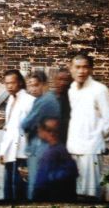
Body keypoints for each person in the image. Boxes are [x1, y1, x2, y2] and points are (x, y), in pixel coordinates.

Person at [67, 53, 109, 199]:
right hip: (72, 147)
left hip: (91, 150)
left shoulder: (99, 89)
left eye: (85, 67)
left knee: (90, 193)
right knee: (74, 192)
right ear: (71, 69)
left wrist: (98, 138)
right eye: (78, 67)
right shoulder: (71, 89)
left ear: (91, 70)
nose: (81, 71)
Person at [21, 71, 61, 200]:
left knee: (35, 187)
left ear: (44, 84)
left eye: (36, 85)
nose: (32, 89)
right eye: (30, 86)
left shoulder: (44, 101)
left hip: (40, 149)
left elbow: (26, 124)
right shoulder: (51, 99)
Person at [0, 69, 35, 201]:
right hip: (10, 151)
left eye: (12, 83)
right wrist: (3, 151)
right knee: (8, 189)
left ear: (19, 82)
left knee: (21, 189)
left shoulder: (29, 101)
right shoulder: (10, 100)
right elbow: (8, 128)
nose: (9, 86)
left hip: (24, 153)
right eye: (7, 83)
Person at [33, 117, 78, 202]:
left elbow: (41, 184)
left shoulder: (51, 154)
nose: (38, 130)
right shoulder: (62, 150)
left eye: (40, 128)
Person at [53, 68, 73, 143]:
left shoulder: (74, 98)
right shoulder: (50, 98)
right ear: (55, 80)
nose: (62, 83)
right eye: (60, 79)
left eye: (65, 80)